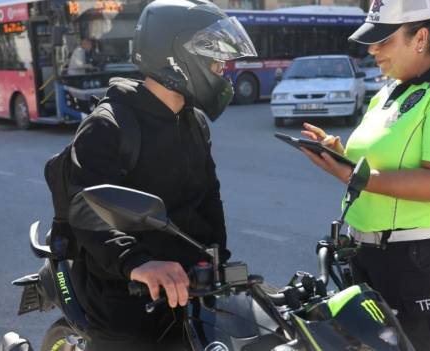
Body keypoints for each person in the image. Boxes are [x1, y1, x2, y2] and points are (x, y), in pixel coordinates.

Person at [65, 0, 257, 349]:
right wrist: (138, 263)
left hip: (191, 288)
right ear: (175, 56)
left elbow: (209, 196)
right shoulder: (108, 126)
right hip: (127, 298)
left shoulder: (193, 121)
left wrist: (219, 259)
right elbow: (87, 209)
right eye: (215, 59)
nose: (223, 69)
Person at [300, 1, 430, 350]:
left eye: (384, 40)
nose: (372, 49)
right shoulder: (391, 88)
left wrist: (355, 176)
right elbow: (376, 162)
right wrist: (337, 153)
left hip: (416, 260)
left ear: (420, 37)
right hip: (364, 252)